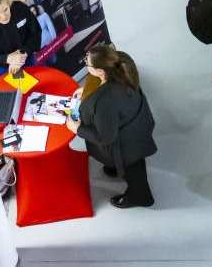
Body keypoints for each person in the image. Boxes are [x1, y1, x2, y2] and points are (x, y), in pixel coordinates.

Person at [66, 45, 157, 208]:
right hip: (136, 124)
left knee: (134, 169)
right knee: (131, 165)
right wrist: (87, 91)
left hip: (126, 144)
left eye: (88, 63)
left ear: (100, 71)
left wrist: (77, 129)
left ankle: (140, 197)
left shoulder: (105, 103)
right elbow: (104, 88)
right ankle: (118, 168)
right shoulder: (119, 63)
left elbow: (105, 137)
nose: (86, 63)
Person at [0, 0, 42, 87]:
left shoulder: (20, 9)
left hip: (23, 58)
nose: (4, 16)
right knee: (3, 95)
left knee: (31, 88)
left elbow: (36, 33)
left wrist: (23, 54)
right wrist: (7, 59)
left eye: (6, 9)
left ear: (9, 4)